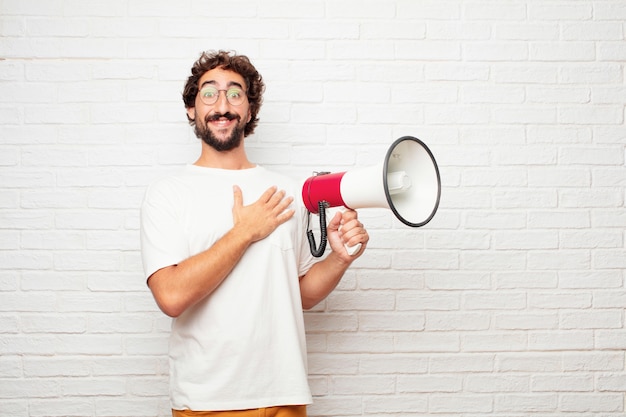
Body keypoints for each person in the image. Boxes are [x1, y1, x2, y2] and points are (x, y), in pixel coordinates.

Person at [140, 50, 369, 417]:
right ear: (191, 109)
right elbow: (170, 296)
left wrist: (340, 258)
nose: (222, 104)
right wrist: (244, 232)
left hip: (285, 396)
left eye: (235, 93)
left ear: (248, 111)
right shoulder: (168, 193)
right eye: (209, 93)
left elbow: (302, 296)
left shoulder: (290, 192)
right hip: (208, 402)